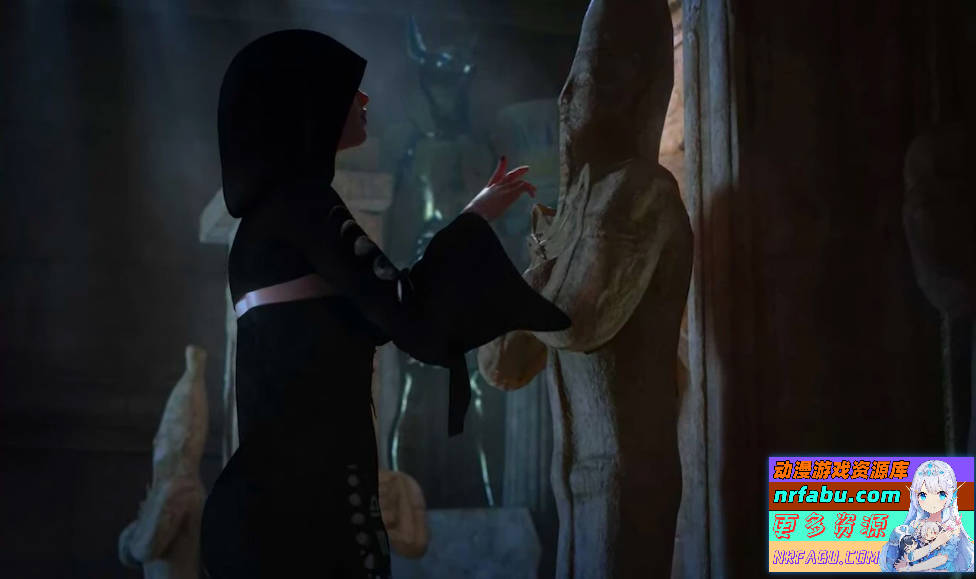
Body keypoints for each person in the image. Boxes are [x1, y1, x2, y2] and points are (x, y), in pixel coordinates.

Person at [200, 30, 570, 579]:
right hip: (307, 522)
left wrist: (473, 217)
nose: (365, 99)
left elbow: (378, 315)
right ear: (310, 105)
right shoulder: (308, 207)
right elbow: (409, 314)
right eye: (348, 89)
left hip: (268, 512)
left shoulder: (265, 225)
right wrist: (478, 224)